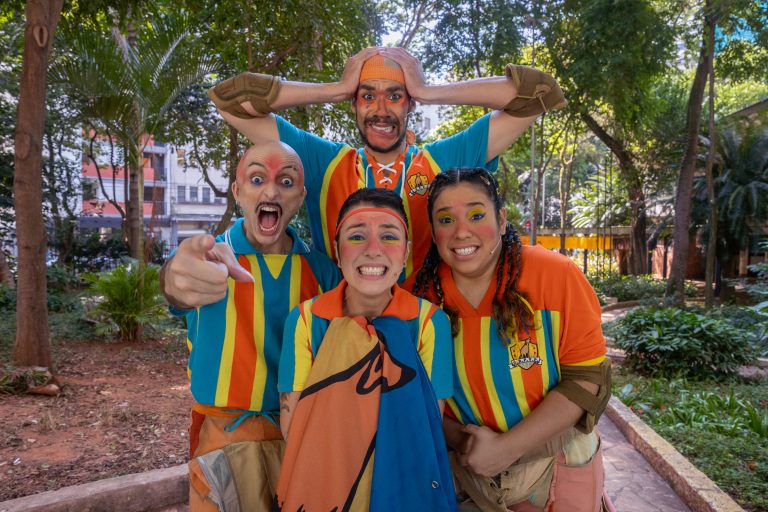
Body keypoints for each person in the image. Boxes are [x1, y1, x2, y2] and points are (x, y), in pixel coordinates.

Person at [208, 46, 565, 280]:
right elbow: (229, 102)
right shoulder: (322, 161)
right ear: (354, 104)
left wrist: (428, 91)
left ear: (409, 106)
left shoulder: (441, 160)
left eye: (395, 96)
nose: (380, 109)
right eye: (367, 96)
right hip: (334, 338)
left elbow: (539, 94)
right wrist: (336, 88)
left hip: (426, 339)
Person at [412, 168, 613, 512]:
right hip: (470, 478)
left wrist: (507, 448)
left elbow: (587, 380)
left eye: (477, 214)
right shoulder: (417, 298)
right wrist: (464, 442)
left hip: (556, 469)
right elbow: (413, 396)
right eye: (446, 220)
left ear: (502, 219)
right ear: (433, 231)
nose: (462, 232)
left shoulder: (557, 276)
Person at [160, 141, 340, 511]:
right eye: (257, 178)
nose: (271, 190)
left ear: (301, 197)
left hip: (301, 436)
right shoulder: (212, 257)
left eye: (286, 182)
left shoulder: (322, 271)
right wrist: (173, 278)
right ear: (237, 190)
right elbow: (178, 284)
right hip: (223, 437)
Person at [276, 188, 457, 511]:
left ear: (406, 253)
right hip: (325, 485)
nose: (373, 250)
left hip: (405, 487)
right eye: (357, 236)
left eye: (389, 237)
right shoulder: (305, 319)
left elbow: (423, 426)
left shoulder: (430, 322)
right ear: (337, 249)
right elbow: (295, 429)